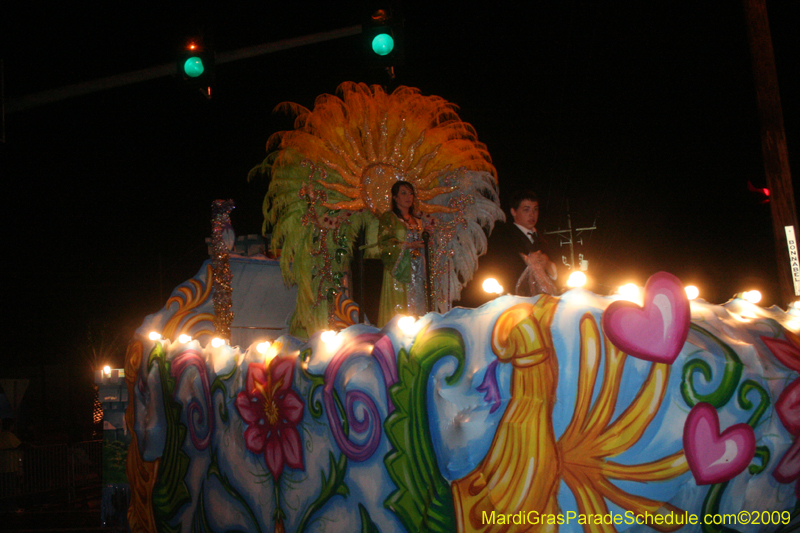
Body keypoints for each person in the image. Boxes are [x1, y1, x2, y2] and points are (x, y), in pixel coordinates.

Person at [465, 190, 557, 305]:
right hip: (515, 302)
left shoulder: (545, 239)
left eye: (535, 210)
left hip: (546, 303)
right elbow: (498, 269)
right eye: (526, 210)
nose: (532, 214)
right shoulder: (502, 238)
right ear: (513, 211)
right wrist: (526, 262)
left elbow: (561, 272)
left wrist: (548, 264)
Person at [378, 181, 430, 326]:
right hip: (399, 269)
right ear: (395, 197)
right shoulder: (389, 218)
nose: (408, 197)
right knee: (400, 311)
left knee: (419, 307)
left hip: (417, 270)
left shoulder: (419, 221)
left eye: (411, 193)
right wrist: (409, 245)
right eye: (403, 193)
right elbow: (385, 243)